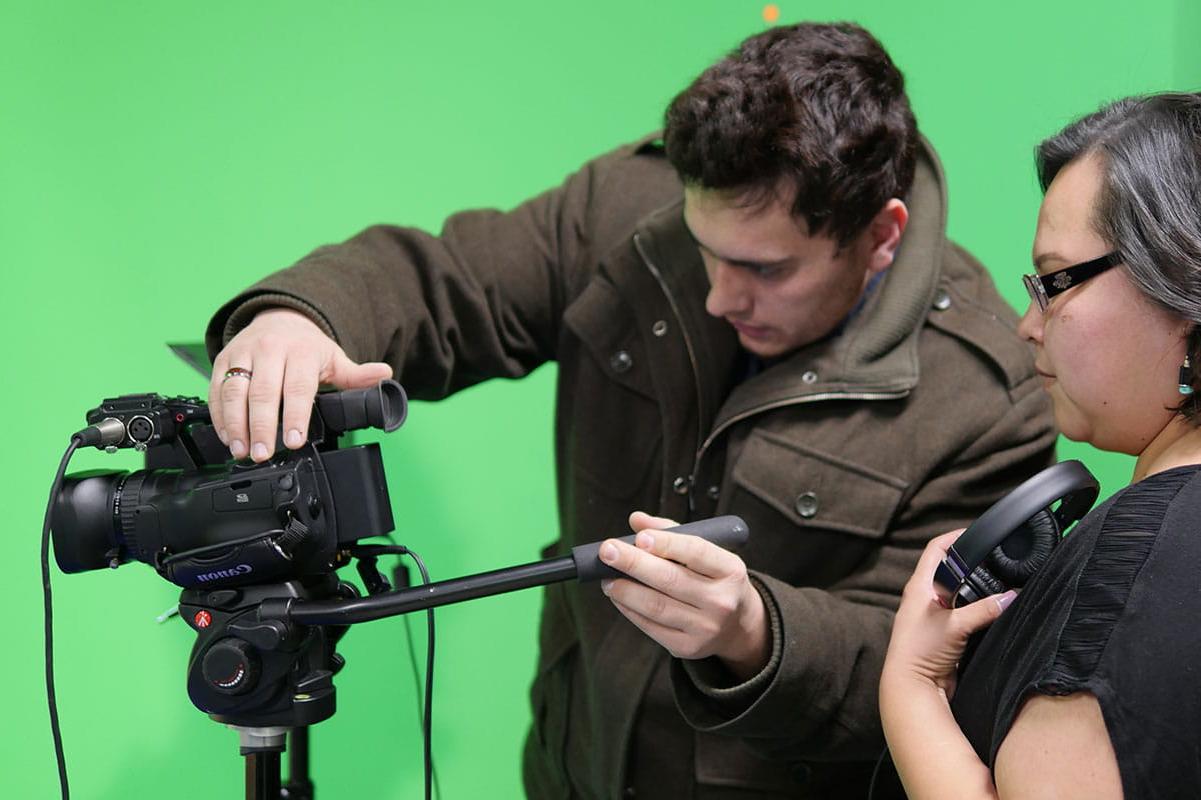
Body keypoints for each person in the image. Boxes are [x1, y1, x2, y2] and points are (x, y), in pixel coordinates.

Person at [206, 22, 1056, 798]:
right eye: (706, 251)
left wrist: (758, 631)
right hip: (571, 766)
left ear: (881, 235)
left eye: (766, 270)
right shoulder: (624, 211)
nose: (723, 296)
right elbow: (450, 280)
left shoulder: (987, 396)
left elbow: (929, 672)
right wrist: (296, 318)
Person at [880, 92, 1201, 800]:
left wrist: (913, 689)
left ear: (1180, 285)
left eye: (1053, 284)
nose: (1028, 324)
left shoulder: (1133, 572)